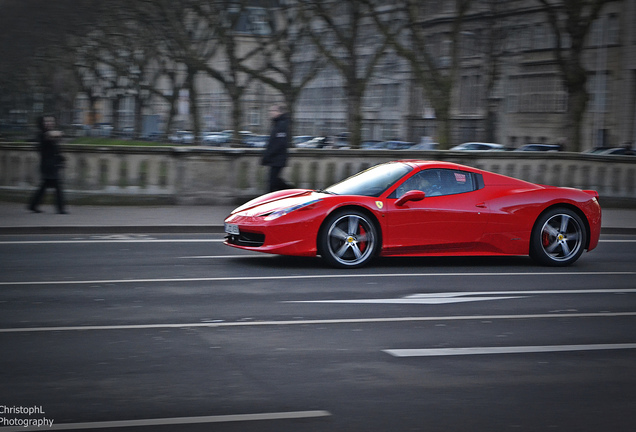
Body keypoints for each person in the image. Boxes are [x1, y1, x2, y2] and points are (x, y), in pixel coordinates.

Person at [28, 115, 67, 214]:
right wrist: (60, 133)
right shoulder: (42, 134)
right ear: (43, 123)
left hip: (51, 165)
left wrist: (61, 159)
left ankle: (33, 205)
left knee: (44, 187)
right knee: (57, 187)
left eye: (51, 121)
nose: (49, 123)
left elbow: (54, 149)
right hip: (48, 166)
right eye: (47, 121)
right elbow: (54, 135)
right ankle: (61, 209)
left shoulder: (47, 135)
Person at [262, 103, 292, 192]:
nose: (270, 113)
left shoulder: (281, 124)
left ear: (279, 112)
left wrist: (268, 155)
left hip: (277, 158)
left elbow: (279, 143)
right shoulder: (277, 123)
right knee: (274, 180)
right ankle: (290, 190)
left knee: (273, 182)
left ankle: (291, 190)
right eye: (270, 111)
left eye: (273, 111)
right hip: (275, 158)